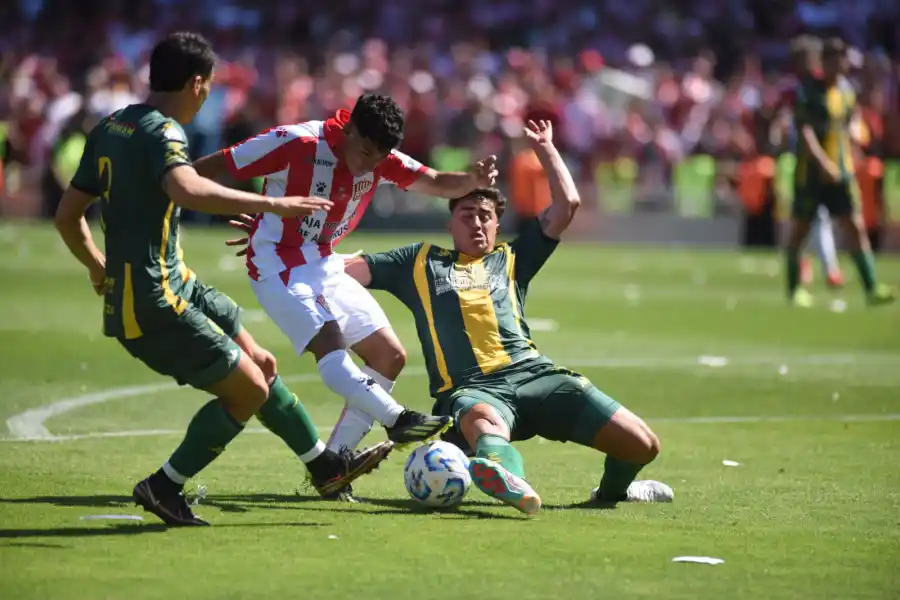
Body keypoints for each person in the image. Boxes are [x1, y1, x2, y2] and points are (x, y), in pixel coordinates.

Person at [230, 121, 673, 515]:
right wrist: (272, 233)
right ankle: (502, 475)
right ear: (451, 224)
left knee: (642, 445)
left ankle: (613, 494)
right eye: (467, 215)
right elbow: (327, 265)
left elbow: (568, 205)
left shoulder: (516, 258)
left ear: (498, 226)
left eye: (486, 217)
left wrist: (545, 149)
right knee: (482, 422)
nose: (477, 224)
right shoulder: (419, 260)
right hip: (472, 391)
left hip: (536, 374)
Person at [53, 32, 393, 527]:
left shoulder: (111, 126)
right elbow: (185, 188)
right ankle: (163, 487)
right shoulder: (164, 133)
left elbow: (68, 215)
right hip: (156, 300)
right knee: (248, 389)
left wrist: (97, 266)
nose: (209, 94)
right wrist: (273, 204)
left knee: (263, 364)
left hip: (178, 281)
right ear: (196, 83)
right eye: (209, 85)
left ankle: (324, 466)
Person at [194, 93, 500, 495]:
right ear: (349, 128)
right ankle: (395, 418)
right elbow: (211, 167)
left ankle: (334, 465)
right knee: (329, 341)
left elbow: (438, 182)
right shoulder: (297, 141)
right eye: (365, 153)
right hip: (277, 263)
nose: (368, 165)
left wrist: (472, 181)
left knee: (389, 356)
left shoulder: (381, 157)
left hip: (324, 261)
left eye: (378, 158)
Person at [785, 38, 896, 307]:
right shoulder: (809, 92)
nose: (841, 65)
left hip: (841, 173)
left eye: (843, 60)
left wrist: (854, 145)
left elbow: (849, 124)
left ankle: (871, 288)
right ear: (825, 62)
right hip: (810, 174)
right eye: (835, 60)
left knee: (854, 227)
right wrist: (824, 164)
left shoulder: (846, 91)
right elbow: (806, 133)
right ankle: (795, 288)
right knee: (800, 231)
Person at [779, 36, 843, 290]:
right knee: (806, 219)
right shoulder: (796, 88)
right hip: (804, 163)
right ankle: (816, 267)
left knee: (819, 218)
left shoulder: (824, 86)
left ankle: (827, 268)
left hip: (827, 159)